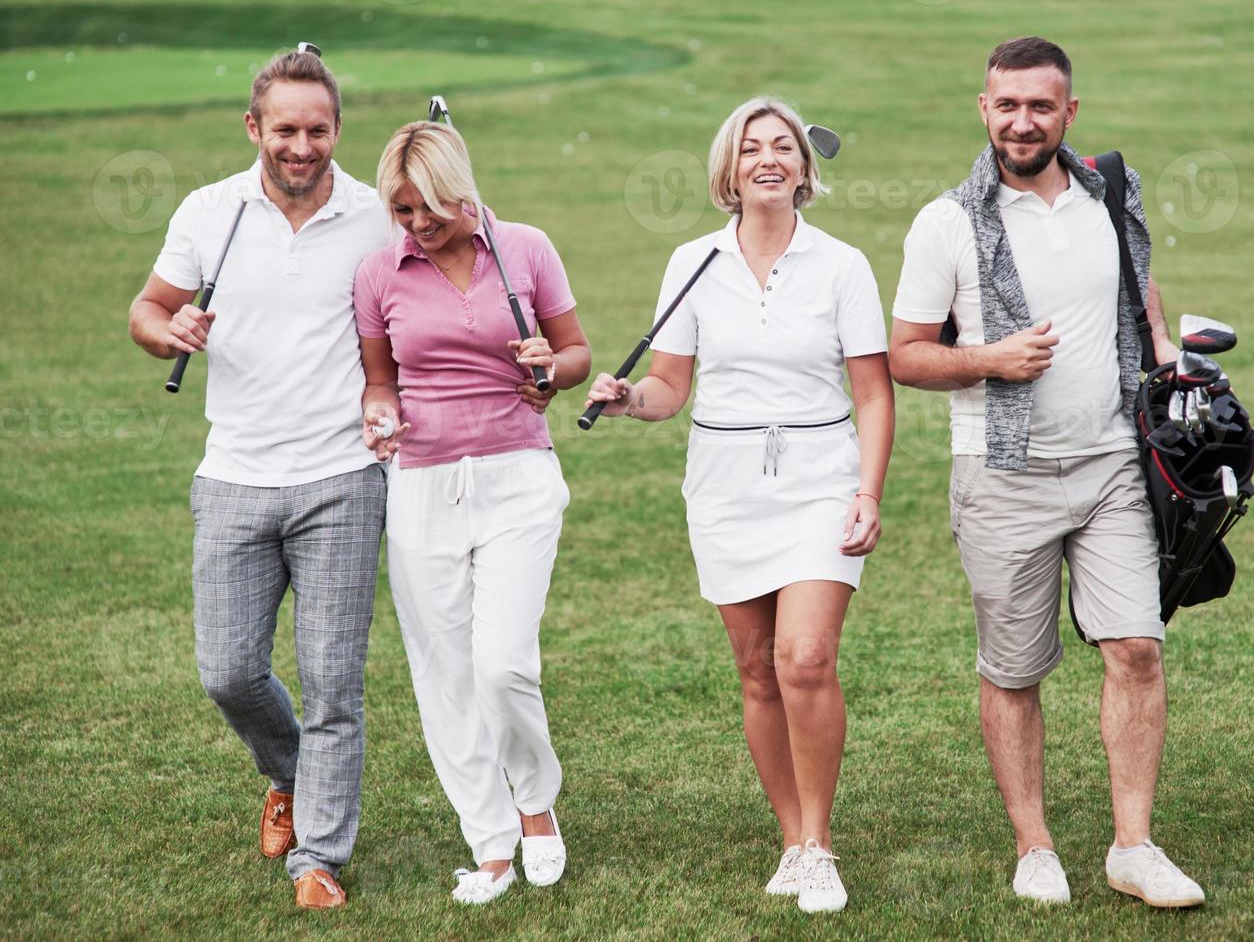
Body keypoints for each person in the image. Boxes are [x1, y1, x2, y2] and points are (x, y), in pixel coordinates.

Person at [887, 36, 1204, 909]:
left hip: (1111, 462)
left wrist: (1166, 350)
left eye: (1040, 105)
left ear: (1069, 113)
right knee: (1015, 671)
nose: (1022, 120)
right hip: (1004, 473)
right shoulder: (946, 222)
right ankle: (1035, 846)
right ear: (982, 110)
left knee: (1137, 648)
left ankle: (1134, 847)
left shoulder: (1110, 189)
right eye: (1006, 104)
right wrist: (991, 358)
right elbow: (905, 357)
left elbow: (1137, 290)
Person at [586, 96, 894, 915]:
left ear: (803, 167)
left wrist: (867, 492)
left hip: (820, 480)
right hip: (723, 488)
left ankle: (821, 846)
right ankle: (790, 839)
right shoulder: (694, 262)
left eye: (783, 146)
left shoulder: (842, 265)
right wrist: (625, 401)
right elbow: (671, 389)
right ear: (729, 169)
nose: (769, 158)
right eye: (752, 147)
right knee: (757, 672)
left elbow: (872, 394)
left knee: (804, 657)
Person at [126, 48, 394, 909]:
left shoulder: (375, 215)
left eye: (318, 129)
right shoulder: (212, 212)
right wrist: (170, 335)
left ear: (337, 129)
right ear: (254, 128)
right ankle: (288, 773)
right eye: (285, 129)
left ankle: (316, 856)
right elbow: (146, 308)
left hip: (344, 478)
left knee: (332, 682)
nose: (302, 145)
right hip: (235, 475)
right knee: (228, 671)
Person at [352, 120, 590, 905]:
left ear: (461, 190)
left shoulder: (524, 249)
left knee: (503, 664)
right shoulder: (379, 272)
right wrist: (379, 412)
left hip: (517, 474)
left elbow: (576, 353)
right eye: (400, 210)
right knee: (444, 673)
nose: (415, 224)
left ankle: (534, 803)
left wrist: (549, 372)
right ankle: (488, 844)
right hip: (421, 485)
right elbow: (380, 379)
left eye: (427, 208)